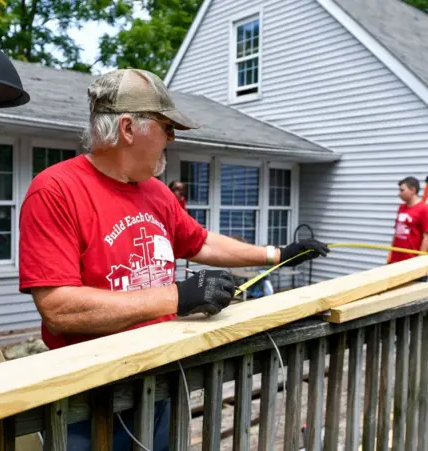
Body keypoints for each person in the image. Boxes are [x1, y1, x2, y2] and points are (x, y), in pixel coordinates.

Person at [18, 68, 330, 450]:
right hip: (89, 394)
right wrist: (176, 297)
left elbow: (200, 243)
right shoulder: (55, 190)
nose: (171, 138)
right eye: (166, 127)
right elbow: (58, 307)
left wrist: (276, 254)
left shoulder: (156, 193)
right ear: (129, 128)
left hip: (159, 380)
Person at [388, 177, 428, 272]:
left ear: (412, 190)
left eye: (402, 190)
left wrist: (419, 263)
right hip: (396, 261)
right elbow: (396, 232)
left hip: (411, 262)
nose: (399, 193)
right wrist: (390, 256)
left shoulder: (424, 210)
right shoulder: (401, 208)